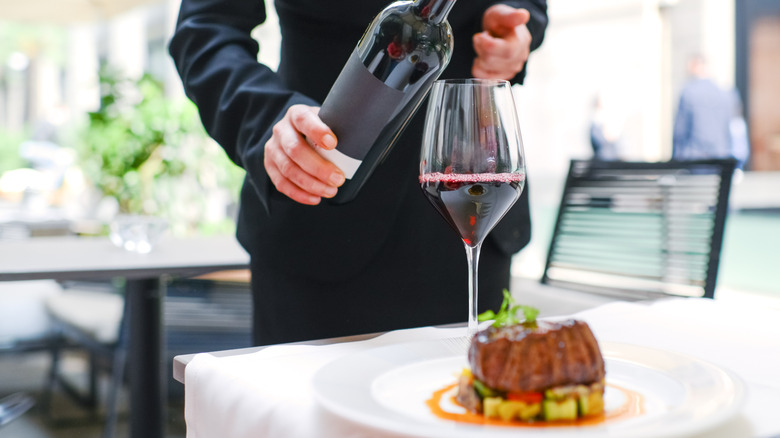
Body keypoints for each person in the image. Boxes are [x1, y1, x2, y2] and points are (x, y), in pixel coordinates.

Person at [169, 0, 548, 346]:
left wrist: (515, 32)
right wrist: (265, 120)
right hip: (322, 220)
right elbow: (205, 30)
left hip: (473, 217)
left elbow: (530, 7)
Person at [673, 54, 745, 166]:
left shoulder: (688, 93)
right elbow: (737, 129)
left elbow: (680, 131)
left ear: (694, 67)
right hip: (723, 157)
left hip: (695, 158)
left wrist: (677, 160)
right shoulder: (727, 93)